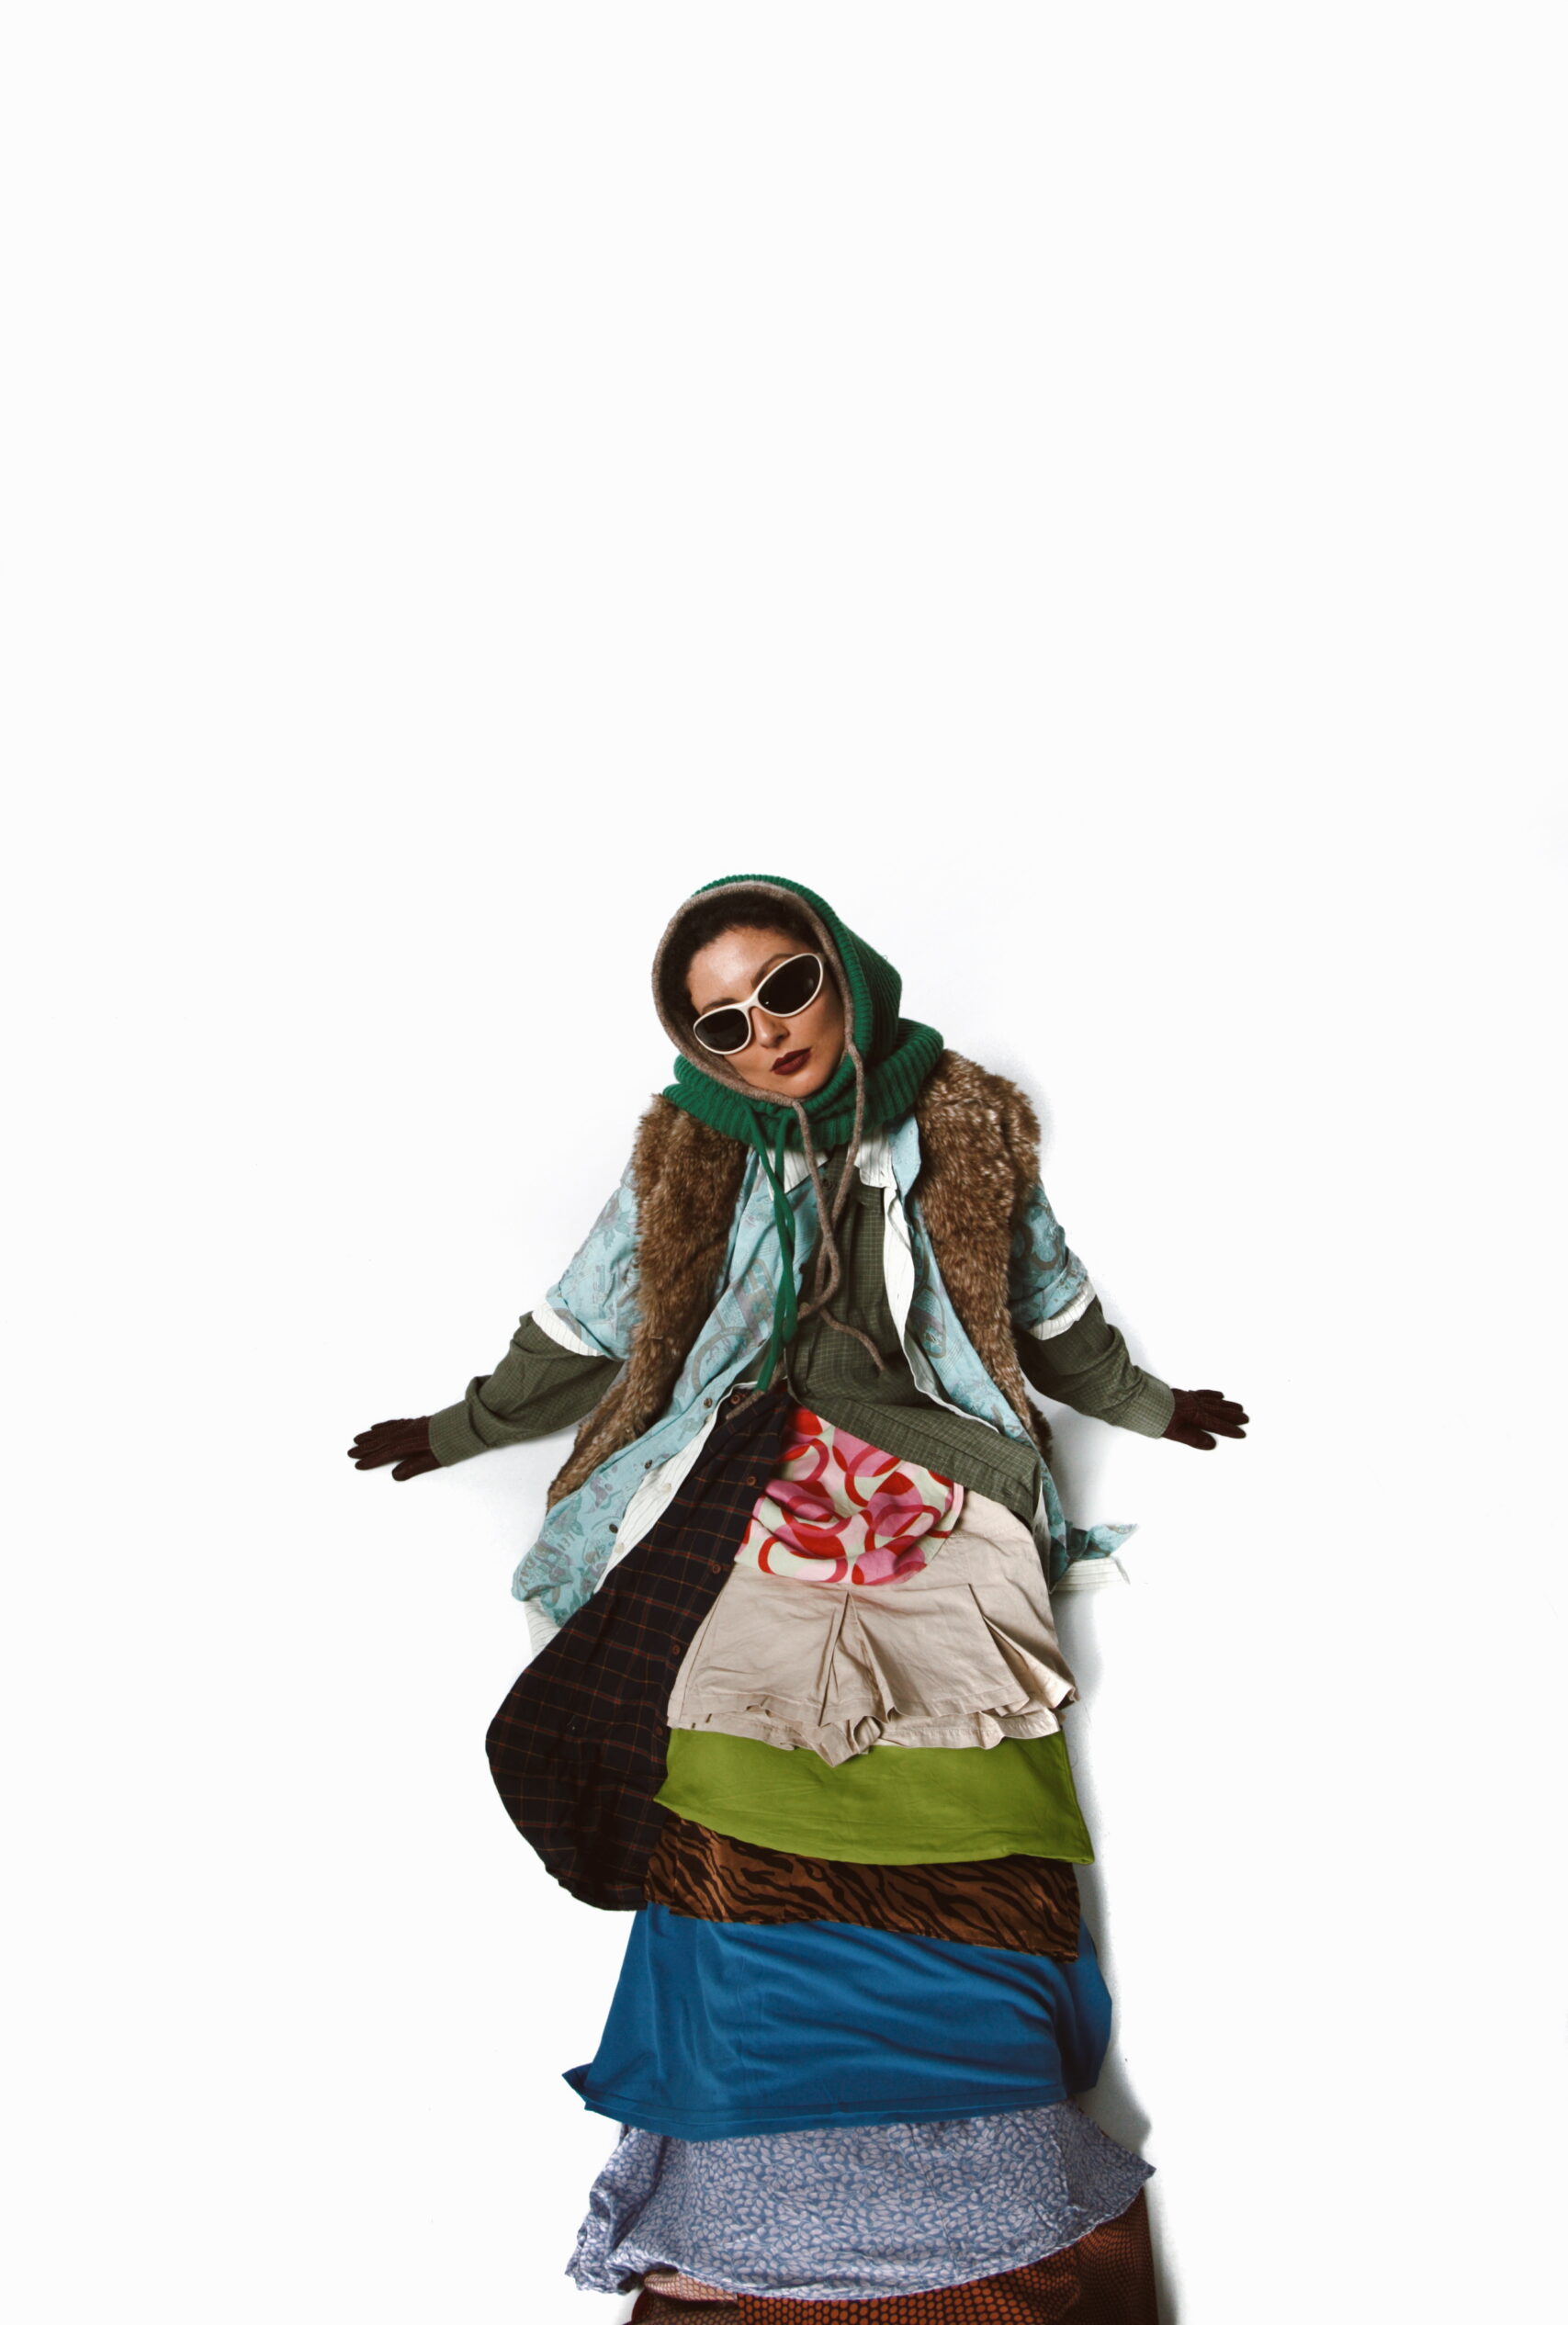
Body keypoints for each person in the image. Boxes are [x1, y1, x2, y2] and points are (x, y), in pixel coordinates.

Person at [351, 875, 1247, 2321]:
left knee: (965, 1686)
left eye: (785, 988)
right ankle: (775, 2106)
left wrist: (1148, 1404)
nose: (766, 1034)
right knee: (724, 1697)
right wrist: (459, 1430)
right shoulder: (688, 1147)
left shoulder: (962, 1118)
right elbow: (591, 1315)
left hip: (936, 1454)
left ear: (840, 971)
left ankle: (949, 2062)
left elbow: (1046, 1301)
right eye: (724, 1022)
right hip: (743, 1443)